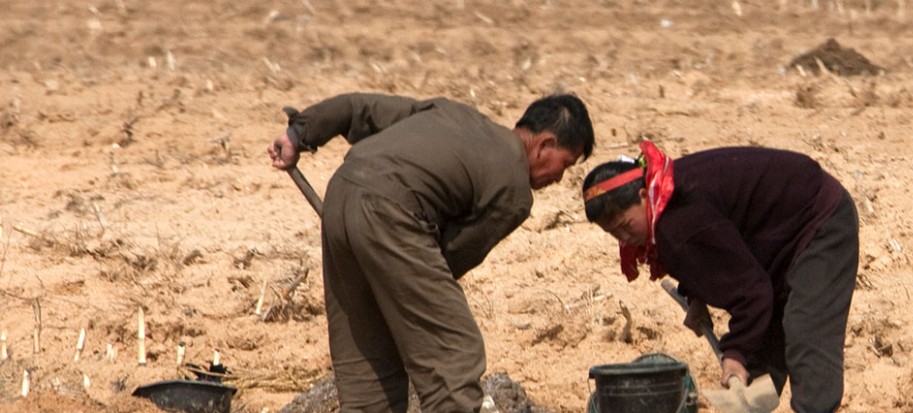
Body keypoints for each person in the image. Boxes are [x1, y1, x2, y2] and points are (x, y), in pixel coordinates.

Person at [267, 92, 594, 413]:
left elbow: (357, 107)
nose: (559, 177)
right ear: (545, 145)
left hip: (342, 193)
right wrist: (400, 287)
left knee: (369, 377)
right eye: (564, 164)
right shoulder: (514, 189)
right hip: (392, 216)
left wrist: (300, 133)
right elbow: (449, 257)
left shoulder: (450, 112)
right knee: (454, 355)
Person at [580, 141, 858, 413]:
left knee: (804, 329)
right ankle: (755, 400)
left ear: (643, 195)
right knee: (761, 348)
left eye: (626, 225)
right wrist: (698, 296)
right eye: (614, 233)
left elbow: (754, 292)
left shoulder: (676, 222)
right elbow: (714, 247)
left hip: (818, 221)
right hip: (775, 236)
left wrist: (735, 355)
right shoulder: (665, 200)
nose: (625, 238)